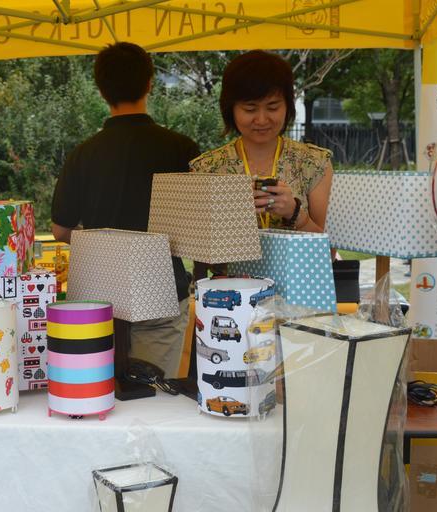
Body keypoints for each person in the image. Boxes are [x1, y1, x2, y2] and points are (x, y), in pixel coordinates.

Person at [51, 42, 200, 378]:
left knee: (94, 390)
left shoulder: (82, 154)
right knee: (155, 394)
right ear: (150, 83)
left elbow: (60, 230)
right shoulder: (181, 148)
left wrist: (107, 244)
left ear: (101, 90)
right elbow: (197, 230)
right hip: (161, 287)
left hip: (96, 295)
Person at [190, 50, 333, 235]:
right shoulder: (206, 169)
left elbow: (327, 248)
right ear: (230, 109)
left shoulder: (314, 163)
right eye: (250, 109)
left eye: (272, 107)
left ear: (287, 106)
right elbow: (196, 245)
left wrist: (295, 213)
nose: (262, 119)